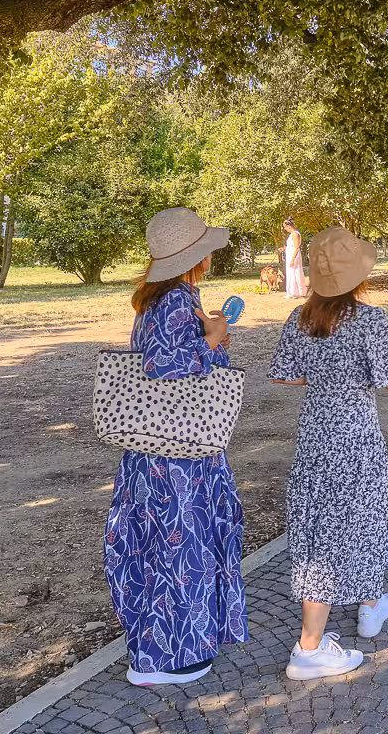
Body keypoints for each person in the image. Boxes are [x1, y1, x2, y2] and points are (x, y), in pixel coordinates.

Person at [105, 207, 247, 687]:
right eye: (206, 249)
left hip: (157, 447)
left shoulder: (162, 298)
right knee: (178, 543)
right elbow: (168, 370)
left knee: (159, 547)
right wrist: (215, 339)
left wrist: (207, 334)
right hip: (177, 455)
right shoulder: (173, 304)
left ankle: (163, 647)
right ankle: (167, 658)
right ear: (195, 258)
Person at [269, 227, 388, 680]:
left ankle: (370, 602)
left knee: (323, 518)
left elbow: (285, 377)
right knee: (353, 518)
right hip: (356, 432)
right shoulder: (369, 320)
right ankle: (309, 647)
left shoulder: (298, 320)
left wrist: (322, 378)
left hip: (314, 433)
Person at [282, 217, 308, 298]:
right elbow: (291, 246)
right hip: (290, 255)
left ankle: (297, 292)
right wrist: (284, 249)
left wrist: (293, 259)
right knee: (290, 273)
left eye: (285, 227)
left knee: (295, 273)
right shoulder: (291, 235)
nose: (285, 229)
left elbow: (297, 247)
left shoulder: (295, 234)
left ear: (289, 226)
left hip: (294, 255)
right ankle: (291, 292)